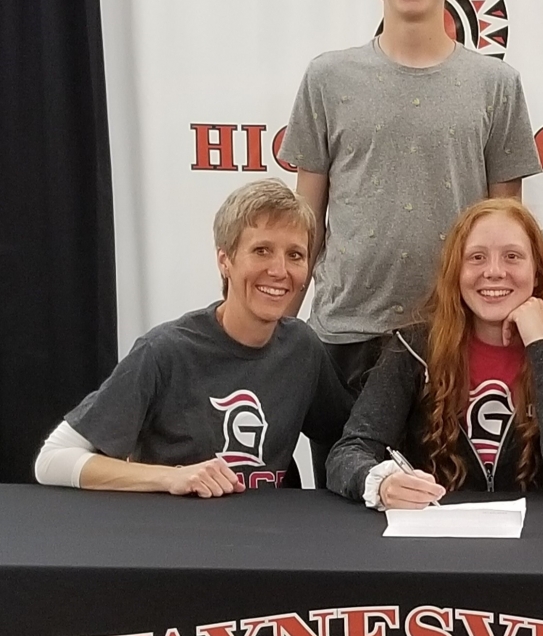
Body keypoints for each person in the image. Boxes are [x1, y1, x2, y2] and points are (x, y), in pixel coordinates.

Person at [280, 0, 542, 400]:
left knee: (443, 483)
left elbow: (504, 226)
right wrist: (279, 334)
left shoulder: (496, 84)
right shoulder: (327, 77)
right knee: (347, 478)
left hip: (451, 333)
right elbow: (304, 222)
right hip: (344, 334)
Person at [34, 180, 352, 495]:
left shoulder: (303, 349)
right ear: (224, 260)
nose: (279, 270)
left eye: (295, 255)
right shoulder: (164, 351)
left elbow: (349, 439)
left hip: (266, 536)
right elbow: (52, 460)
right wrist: (171, 478)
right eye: (261, 251)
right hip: (174, 536)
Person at [326, 199, 543, 509]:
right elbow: (348, 453)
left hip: (538, 543)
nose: (494, 272)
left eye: (512, 256)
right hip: (438, 538)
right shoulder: (412, 349)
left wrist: (541, 346)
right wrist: (382, 482)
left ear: (537, 273)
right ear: (456, 272)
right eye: (477, 257)